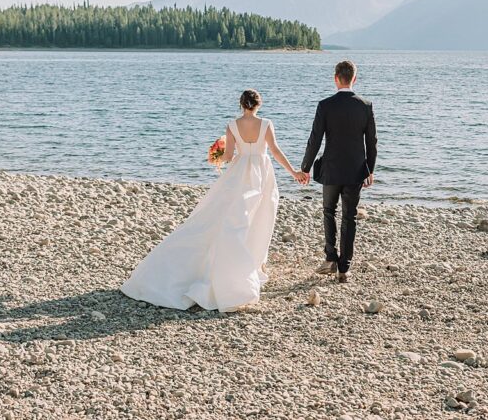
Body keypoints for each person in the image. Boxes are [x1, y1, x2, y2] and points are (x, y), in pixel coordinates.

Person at [120, 89, 304, 312]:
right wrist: (294, 172)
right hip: (261, 173)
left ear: (241, 104)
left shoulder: (233, 125)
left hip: (239, 172)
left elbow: (228, 157)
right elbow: (274, 151)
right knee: (259, 216)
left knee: (228, 216)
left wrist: (214, 156)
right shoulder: (266, 123)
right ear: (258, 104)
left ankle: (245, 263)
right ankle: (249, 264)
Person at [300, 60, 377, 283]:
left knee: (328, 211)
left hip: (332, 169)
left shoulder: (325, 105)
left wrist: (305, 168)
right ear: (354, 78)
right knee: (349, 217)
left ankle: (331, 258)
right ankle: (345, 269)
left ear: (336, 79)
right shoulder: (365, 105)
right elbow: (371, 142)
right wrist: (370, 170)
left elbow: (314, 140)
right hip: (355, 170)